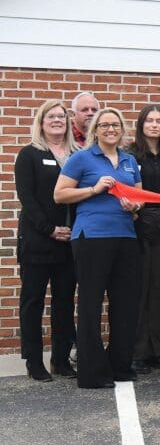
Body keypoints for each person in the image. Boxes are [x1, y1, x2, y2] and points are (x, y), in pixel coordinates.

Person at [54, 108, 144, 389]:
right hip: (92, 236)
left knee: (126, 304)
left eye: (115, 125)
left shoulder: (129, 161)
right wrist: (93, 189)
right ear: (95, 130)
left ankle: (120, 365)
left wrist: (134, 206)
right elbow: (59, 194)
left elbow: (139, 198)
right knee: (91, 304)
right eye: (104, 125)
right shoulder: (81, 158)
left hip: (126, 237)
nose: (110, 129)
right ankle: (92, 373)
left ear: (121, 130)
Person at [16, 100, 77, 381]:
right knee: (33, 301)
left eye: (61, 117)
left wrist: (71, 230)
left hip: (69, 242)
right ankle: (33, 360)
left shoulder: (76, 155)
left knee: (64, 302)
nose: (57, 121)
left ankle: (61, 359)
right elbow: (27, 199)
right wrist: (49, 228)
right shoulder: (29, 155)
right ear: (41, 122)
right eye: (51, 116)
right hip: (39, 241)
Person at [130, 105, 160, 374]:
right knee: (141, 289)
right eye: (149, 120)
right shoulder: (131, 154)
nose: (154, 125)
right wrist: (141, 217)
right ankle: (138, 351)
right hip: (139, 227)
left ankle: (157, 349)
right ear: (141, 124)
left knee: (159, 289)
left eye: (159, 121)